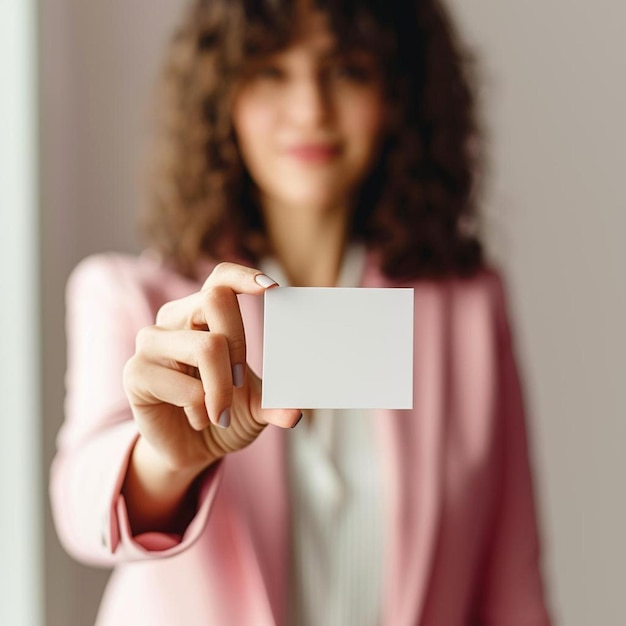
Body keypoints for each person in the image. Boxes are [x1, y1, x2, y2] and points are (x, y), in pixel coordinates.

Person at [50, 0, 553, 624]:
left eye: (346, 71)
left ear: (399, 94)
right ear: (221, 94)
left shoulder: (469, 309)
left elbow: (513, 584)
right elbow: (80, 509)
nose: (310, 109)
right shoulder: (133, 298)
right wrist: (169, 463)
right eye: (269, 71)